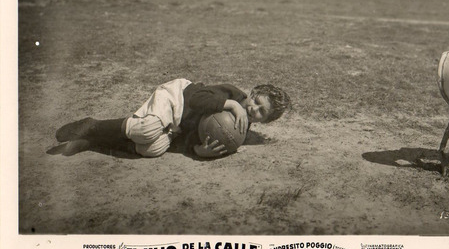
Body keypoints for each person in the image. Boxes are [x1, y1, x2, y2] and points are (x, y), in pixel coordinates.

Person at [55, 78, 291, 158]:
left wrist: (200, 151)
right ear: (253, 93)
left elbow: (194, 136)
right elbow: (196, 98)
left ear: (265, 122)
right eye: (256, 102)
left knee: (152, 149)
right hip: (177, 97)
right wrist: (230, 104)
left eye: (261, 113)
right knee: (146, 129)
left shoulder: (238, 132)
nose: (253, 110)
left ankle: (93, 142)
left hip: (176, 126)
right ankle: (92, 126)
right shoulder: (230, 93)